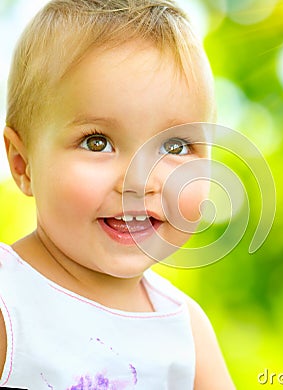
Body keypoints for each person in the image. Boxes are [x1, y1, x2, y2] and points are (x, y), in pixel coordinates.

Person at [0, 0, 235, 388]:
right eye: (97, 142)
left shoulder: (185, 331)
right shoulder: (10, 302)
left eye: (174, 147)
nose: (140, 182)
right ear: (23, 164)